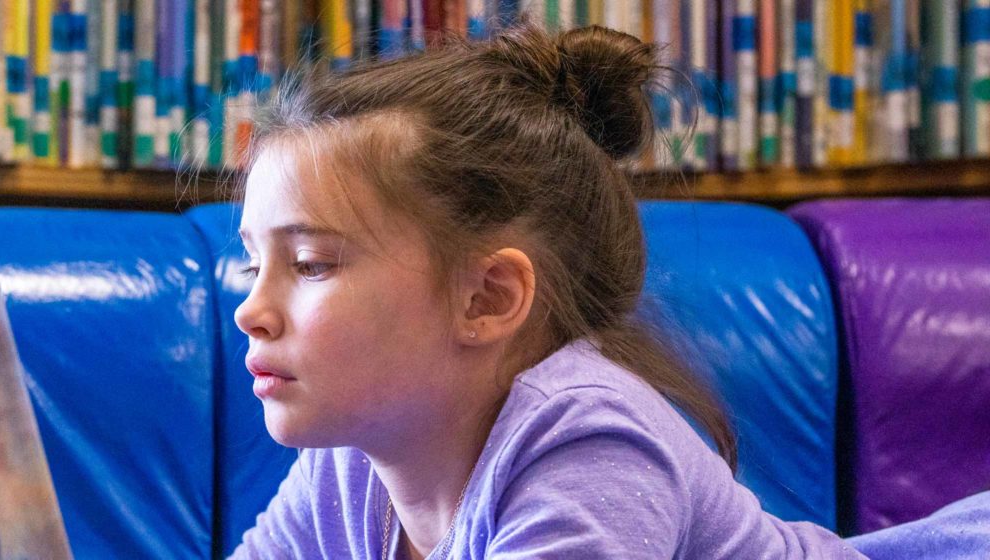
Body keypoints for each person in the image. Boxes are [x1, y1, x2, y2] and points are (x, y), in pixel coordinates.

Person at [226, 24, 985, 559]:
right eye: (254, 262)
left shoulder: (589, 442)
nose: (251, 310)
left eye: (313, 263)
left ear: (487, 298)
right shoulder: (356, 460)